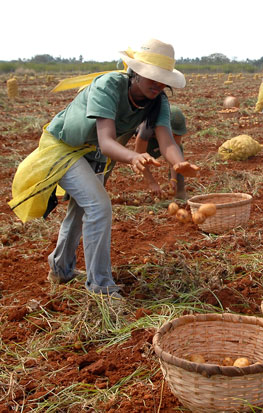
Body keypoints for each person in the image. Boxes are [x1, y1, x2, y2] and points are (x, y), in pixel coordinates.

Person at [9, 39, 199, 299]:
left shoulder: (158, 101)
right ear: (136, 72)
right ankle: (101, 287)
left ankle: (60, 269)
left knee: (81, 209)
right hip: (65, 148)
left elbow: (166, 140)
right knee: (99, 207)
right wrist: (133, 157)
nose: (157, 84)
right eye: (152, 77)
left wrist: (177, 162)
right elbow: (107, 140)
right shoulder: (109, 86)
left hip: (93, 153)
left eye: (162, 79)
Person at [134, 104, 188, 199]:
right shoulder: (145, 131)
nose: (175, 136)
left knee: (178, 152)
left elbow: (175, 153)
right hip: (145, 137)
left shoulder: (175, 132)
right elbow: (139, 158)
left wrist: (174, 179)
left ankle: (179, 193)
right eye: (173, 134)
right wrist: (152, 183)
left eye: (176, 134)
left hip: (159, 137)